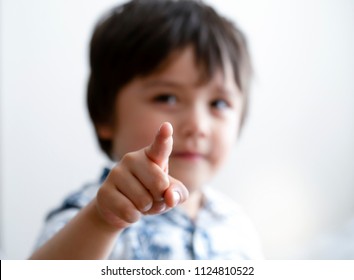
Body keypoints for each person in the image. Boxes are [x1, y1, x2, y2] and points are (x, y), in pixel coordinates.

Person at [30, 0, 263, 260]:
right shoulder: (89, 219)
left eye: (218, 103)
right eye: (167, 98)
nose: (198, 126)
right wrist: (102, 221)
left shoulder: (236, 225)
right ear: (105, 115)